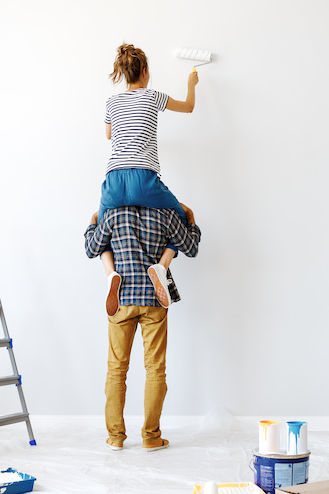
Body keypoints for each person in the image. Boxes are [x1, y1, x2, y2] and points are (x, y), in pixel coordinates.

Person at [84, 204, 201, 452]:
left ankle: (115, 437)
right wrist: (190, 221)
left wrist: (93, 222)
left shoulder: (114, 213)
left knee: (116, 369)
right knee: (155, 369)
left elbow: (91, 248)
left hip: (122, 299)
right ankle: (151, 436)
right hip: (153, 299)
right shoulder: (166, 212)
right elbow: (191, 248)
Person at [98, 43, 199, 317]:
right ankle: (161, 267)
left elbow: (109, 135)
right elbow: (189, 107)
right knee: (181, 219)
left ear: (124, 73)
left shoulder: (111, 102)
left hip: (114, 182)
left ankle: (111, 275)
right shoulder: (152, 97)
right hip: (145, 180)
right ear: (145, 71)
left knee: (99, 229)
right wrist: (191, 82)